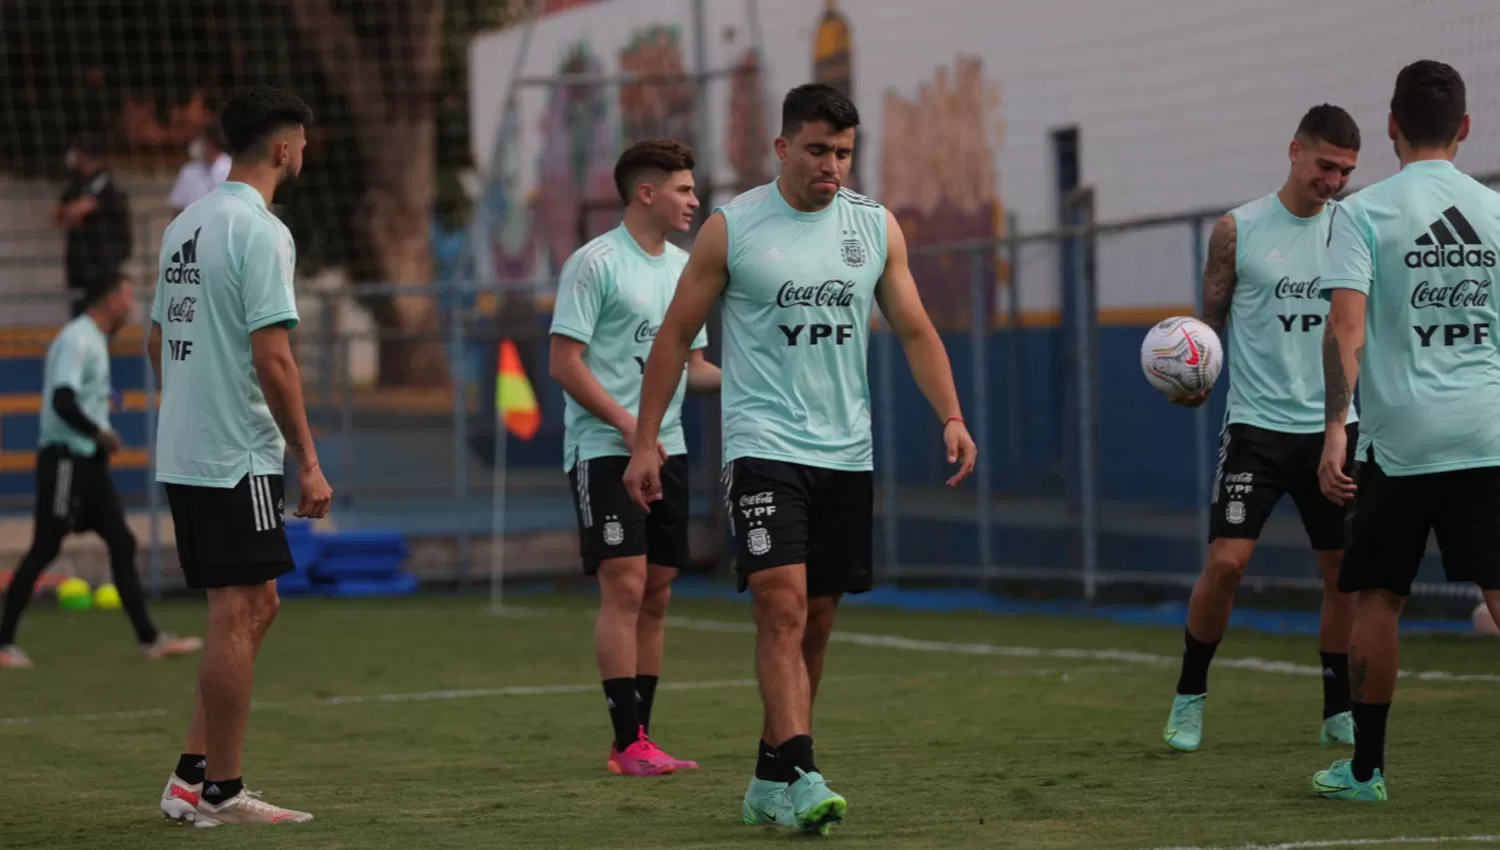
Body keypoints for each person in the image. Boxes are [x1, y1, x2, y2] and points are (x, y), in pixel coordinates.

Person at [623, 83, 977, 835]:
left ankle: (767, 776)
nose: (832, 165)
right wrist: (646, 439)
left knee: (815, 620)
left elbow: (913, 329)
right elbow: (674, 338)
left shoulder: (875, 227)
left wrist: (950, 414)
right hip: (763, 449)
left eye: (844, 153)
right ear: (783, 148)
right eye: (818, 150)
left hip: (847, 453)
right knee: (779, 603)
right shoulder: (733, 229)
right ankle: (807, 769)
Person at [1314, 59, 1500, 802]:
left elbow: (1344, 331)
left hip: (1402, 441)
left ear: (1390, 128)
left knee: (1378, 599)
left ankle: (1366, 772)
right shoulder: (1494, 213)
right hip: (1488, 431)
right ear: (1465, 128)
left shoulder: (1361, 213)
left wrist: (1335, 426)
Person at [150, 85, 331, 827]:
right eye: (303, 142)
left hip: (187, 447)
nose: (305, 153)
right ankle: (221, 791)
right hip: (235, 454)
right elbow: (275, 358)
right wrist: (308, 459)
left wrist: (189, 410)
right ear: (285, 147)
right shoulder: (262, 230)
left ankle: (191, 777)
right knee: (239, 610)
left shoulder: (185, 223)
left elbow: (159, 339)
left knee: (256, 604)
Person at [1162, 104, 1363, 753]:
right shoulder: (1238, 230)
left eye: (1346, 170)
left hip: (1337, 429)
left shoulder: (1355, 230)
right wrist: (1195, 381)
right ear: (1295, 151)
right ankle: (1189, 696)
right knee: (1227, 563)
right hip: (1257, 429)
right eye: (1325, 165)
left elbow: (1356, 331)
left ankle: (1338, 708)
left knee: (1343, 575)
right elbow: (1209, 328)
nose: (1334, 180)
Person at [548, 138, 721, 776]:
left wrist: (756, 378)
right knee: (624, 584)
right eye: (683, 189)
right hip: (604, 450)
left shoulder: (684, 268)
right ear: (646, 192)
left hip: (666, 450)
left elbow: (694, 367)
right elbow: (564, 364)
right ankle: (627, 744)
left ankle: (641, 738)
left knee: (658, 592)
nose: (694, 201)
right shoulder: (594, 264)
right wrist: (630, 428)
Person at [0, 278, 202, 670]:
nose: (131, 306)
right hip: (65, 460)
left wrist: (104, 404)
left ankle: (149, 639)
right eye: (127, 297)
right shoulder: (78, 339)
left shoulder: (93, 339)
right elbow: (62, 399)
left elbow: (79, 394)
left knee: (122, 542)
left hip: (88, 463)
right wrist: (100, 432)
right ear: (110, 298)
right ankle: (3, 641)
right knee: (46, 545)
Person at [52, 135, 132, 317]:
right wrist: (71, 212)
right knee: (77, 314)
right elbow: (56, 216)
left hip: (101, 265)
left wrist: (73, 212)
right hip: (78, 265)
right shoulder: (76, 185)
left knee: (99, 315)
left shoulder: (105, 185)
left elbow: (78, 210)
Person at [168, 124, 232, 214]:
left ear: (211, 143)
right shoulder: (188, 171)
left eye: (202, 141)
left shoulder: (230, 168)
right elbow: (177, 208)